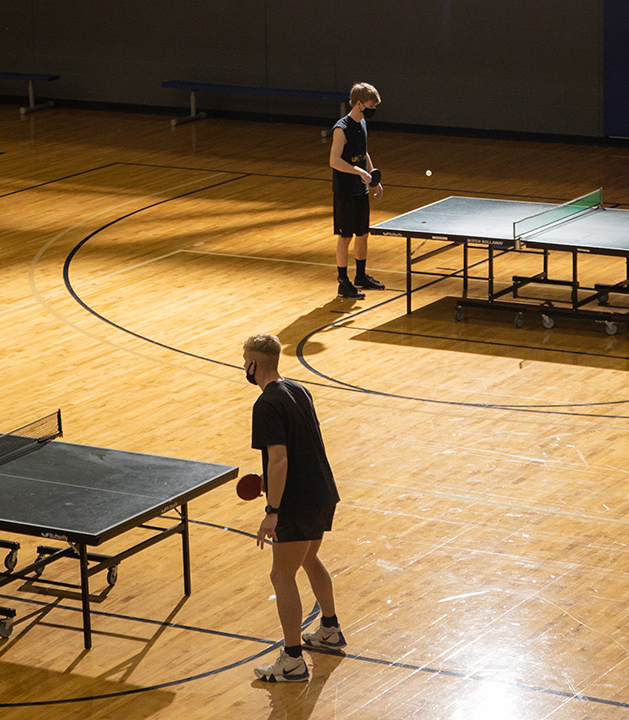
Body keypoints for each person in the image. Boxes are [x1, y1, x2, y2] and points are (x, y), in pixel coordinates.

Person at [242, 333, 345, 683]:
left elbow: (280, 457)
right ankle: (329, 629)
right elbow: (301, 447)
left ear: (255, 363)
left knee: (281, 575)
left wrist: (272, 508)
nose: (244, 366)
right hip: (322, 493)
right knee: (308, 559)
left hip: (296, 503)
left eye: (245, 360)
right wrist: (268, 481)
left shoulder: (266, 405)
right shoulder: (299, 389)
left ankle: (292, 660)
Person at [330, 82, 385, 300]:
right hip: (345, 191)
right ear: (359, 103)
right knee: (346, 237)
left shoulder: (362, 123)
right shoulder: (341, 129)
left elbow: (364, 153)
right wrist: (358, 172)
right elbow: (334, 161)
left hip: (360, 189)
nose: (373, 110)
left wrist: (373, 177)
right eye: (371, 106)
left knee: (363, 234)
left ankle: (360, 276)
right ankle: (343, 283)